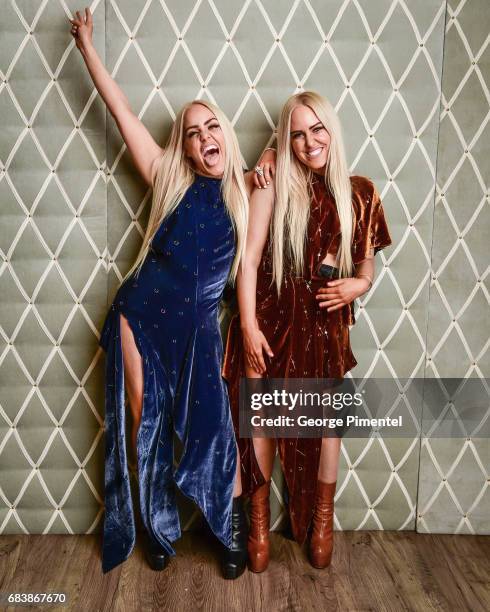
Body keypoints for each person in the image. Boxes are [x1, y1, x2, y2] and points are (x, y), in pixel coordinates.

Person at [69, 8, 270, 578]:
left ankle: (223, 527)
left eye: (213, 128)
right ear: (183, 147)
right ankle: (157, 527)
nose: (205, 137)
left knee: (213, 428)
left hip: (201, 328)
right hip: (141, 314)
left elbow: (282, 157)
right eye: (193, 132)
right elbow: (122, 111)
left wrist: (267, 168)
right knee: (146, 421)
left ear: (226, 138)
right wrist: (87, 47)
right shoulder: (164, 173)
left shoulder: (246, 195)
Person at [223, 91, 392, 571]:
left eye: (317, 129)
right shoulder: (272, 183)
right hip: (271, 319)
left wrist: (355, 287)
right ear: (285, 138)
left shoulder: (359, 192)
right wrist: (250, 325)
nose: (308, 140)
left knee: (325, 424)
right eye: (296, 133)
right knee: (261, 418)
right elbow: (249, 261)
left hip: (324, 322)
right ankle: (256, 524)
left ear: (332, 131)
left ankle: (322, 520)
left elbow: (365, 268)